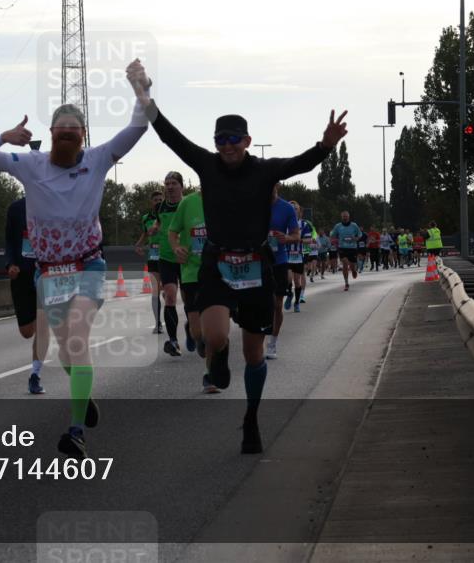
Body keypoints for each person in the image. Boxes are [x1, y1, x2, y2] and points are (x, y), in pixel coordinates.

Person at [136, 72, 348, 454]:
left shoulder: (263, 170)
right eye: (221, 140)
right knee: (213, 337)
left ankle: (251, 418)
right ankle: (217, 363)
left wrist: (326, 146)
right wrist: (144, 97)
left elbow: (301, 163)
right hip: (217, 263)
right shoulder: (206, 164)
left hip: (255, 266)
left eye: (234, 140)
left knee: (254, 354)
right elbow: (170, 136)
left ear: (247, 142)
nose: (227, 146)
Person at [0, 59, 150, 459]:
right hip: (50, 275)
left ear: (83, 136)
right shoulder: (30, 164)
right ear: (50, 135)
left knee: (76, 338)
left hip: (88, 265)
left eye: (73, 134)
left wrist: (140, 89)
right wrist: (5, 135)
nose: (66, 140)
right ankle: (83, 397)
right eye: (60, 133)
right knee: (66, 354)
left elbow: (139, 126)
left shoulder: (99, 159)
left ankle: (75, 431)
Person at [167, 189, 217, 390]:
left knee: (214, 331)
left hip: (217, 274)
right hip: (191, 273)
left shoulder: (226, 198)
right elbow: (172, 232)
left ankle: (210, 375)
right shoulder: (187, 203)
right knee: (200, 335)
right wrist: (176, 247)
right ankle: (191, 330)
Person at [5, 196, 51, 395]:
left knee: (42, 324)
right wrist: (10, 264)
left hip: (47, 273)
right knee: (27, 332)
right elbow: (8, 240)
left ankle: (35, 375)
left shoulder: (53, 205)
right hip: (21, 275)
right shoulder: (15, 208)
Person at [266, 183, 300, 360]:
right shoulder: (254, 204)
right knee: (261, 302)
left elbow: (296, 234)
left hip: (279, 261)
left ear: (276, 185)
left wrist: (286, 238)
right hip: (258, 261)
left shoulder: (286, 208)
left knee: (277, 304)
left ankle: (272, 341)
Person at [156, 172, 186, 356]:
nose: (169, 186)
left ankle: (192, 330)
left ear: (181, 186)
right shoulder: (160, 207)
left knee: (190, 300)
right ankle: (173, 341)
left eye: (173, 183)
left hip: (186, 258)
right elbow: (159, 224)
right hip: (166, 258)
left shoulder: (187, 204)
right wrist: (155, 229)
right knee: (170, 297)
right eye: (167, 183)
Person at [134, 191, 164, 333]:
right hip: (153, 255)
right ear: (151, 202)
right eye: (155, 200)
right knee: (155, 290)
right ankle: (157, 323)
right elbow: (145, 233)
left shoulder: (168, 214)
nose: (158, 201)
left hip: (168, 255)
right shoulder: (146, 218)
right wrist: (138, 244)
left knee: (168, 290)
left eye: (160, 199)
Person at [284, 201, 313, 313]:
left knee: (297, 281)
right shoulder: (284, 224)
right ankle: (289, 294)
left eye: (295, 208)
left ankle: (296, 303)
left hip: (299, 257)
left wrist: (299, 239)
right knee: (288, 279)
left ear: (299, 212)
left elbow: (309, 240)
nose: (293, 210)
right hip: (286, 255)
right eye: (291, 208)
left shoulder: (304, 225)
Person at [330, 211, 361, 291]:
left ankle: (353, 270)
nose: (345, 218)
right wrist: (334, 238)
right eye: (343, 216)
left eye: (346, 216)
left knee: (352, 266)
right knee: (345, 263)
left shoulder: (354, 225)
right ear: (341, 217)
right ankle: (346, 283)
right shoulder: (338, 226)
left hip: (352, 248)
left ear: (349, 217)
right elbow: (333, 235)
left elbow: (360, 234)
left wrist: (356, 238)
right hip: (342, 248)